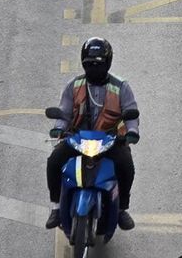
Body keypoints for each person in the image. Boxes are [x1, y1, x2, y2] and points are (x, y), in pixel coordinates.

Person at [45, 38, 139, 232]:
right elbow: (64, 112)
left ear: (108, 63)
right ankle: (56, 207)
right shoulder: (74, 85)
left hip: (110, 140)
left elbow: (131, 114)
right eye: (90, 65)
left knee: (126, 166)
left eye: (99, 64)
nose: (94, 68)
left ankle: (122, 209)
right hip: (78, 139)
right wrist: (59, 128)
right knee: (54, 161)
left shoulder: (121, 87)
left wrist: (132, 133)